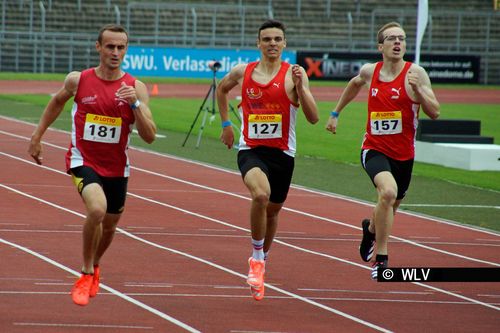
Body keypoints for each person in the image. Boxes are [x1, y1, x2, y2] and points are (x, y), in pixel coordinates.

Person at [28, 24, 157, 305]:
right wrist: (37, 136)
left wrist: (136, 106)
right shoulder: (79, 80)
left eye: (121, 47)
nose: (115, 52)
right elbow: (56, 102)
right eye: (110, 46)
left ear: (126, 50)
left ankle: (96, 265)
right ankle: (85, 272)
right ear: (98, 47)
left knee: (109, 226)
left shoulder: (136, 88)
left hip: (117, 168)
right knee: (96, 209)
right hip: (82, 160)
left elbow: (149, 137)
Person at [325, 22, 440, 280]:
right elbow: (354, 84)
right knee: (387, 192)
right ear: (381, 46)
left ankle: (370, 231)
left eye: (402, 38)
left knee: (389, 206)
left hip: (404, 156)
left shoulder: (416, 74)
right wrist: (335, 113)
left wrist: (420, 90)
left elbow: (435, 112)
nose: (398, 43)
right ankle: (382, 258)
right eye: (391, 39)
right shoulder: (370, 71)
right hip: (374, 149)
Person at [216, 19, 319, 300]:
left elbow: (312, 117)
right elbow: (221, 89)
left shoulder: (294, 74)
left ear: (284, 44)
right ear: (258, 43)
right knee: (260, 196)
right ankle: (257, 258)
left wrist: (302, 88)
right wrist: (226, 124)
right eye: (267, 39)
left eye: (277, 39)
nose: (272, 43)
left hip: (283, 154)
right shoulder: (243, 71)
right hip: (250, 149)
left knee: (273, 211)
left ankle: (263, 257)